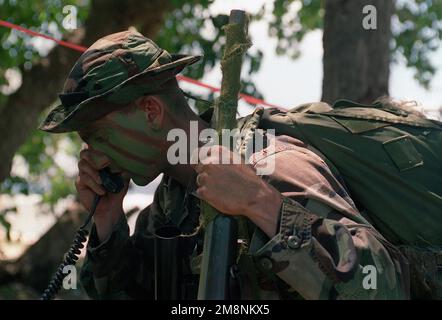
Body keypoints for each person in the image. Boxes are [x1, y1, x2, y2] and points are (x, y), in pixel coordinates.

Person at [40, 30, 410, 300]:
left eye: (100, 138)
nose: (95, 158)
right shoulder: (169, 207)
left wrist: (260, 202)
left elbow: (386, 286)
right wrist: (107, 221)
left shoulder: (272, 165)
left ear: (150, 111)